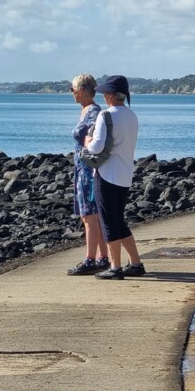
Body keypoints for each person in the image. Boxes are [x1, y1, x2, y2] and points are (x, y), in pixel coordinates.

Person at [84, 75, 146, 280]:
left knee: (108, 221)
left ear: (111, 95)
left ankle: (115, 267)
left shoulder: (106, 115)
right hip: (125, 173)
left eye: (104, 93)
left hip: (107, 173)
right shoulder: (132, 115)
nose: (103, 96)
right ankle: (136, 263)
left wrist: (87, 142)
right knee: (119, 220)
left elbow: (98, 146)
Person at [66, 73, 110, 275]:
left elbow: (96, 137)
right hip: (82, 167)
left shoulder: (93, 112)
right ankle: (102, 257)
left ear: (82, 90)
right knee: (91, 215)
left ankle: (91, 259)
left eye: (73, 88)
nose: (71, 92)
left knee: (89, 215)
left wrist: (88, 143)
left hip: (88, 168)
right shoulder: (86, 110)